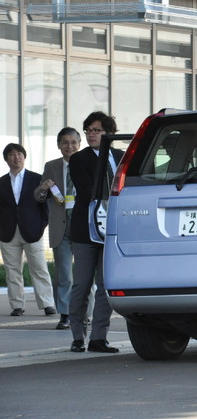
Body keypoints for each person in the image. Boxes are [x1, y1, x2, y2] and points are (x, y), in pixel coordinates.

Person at [68, 112, 124, 353]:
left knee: (105, 286)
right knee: (81, 285)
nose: (91, 134)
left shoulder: (120, 157)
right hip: (85, 230)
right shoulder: (79, 159)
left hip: (111, 230)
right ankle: (78, 336)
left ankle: (99, 337)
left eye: (97, 130)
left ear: (108, 133)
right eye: (88, 130)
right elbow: (88, 189)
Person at [0, 143, 56, 317]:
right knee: (12, 270)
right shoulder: (1, 182)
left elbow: (45, 206)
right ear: (6, 159)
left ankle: (47, 303)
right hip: (8, 232)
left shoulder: (37, 179)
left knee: (39, 268)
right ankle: (17, 305)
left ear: (24, 157)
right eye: (11, 154)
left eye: (19, 154)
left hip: (33, 231)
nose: (16, 157)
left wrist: (41, 226)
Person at [34, 127, 82, 329]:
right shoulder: (51, 166)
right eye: (65, 143)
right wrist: (44, 189)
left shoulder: (88, 162)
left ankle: (83, 313)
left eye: (73, 142)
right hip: (60, 226)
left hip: (82, 224)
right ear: (59, 145)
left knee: (83, 274)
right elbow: (38, 196)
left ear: (79, 144)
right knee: (63, 274)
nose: (69, 146)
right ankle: (64, 314)